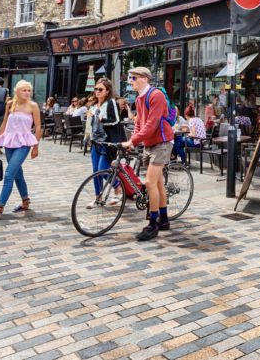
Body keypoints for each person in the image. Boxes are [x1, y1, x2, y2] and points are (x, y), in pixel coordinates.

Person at [121, 67, 175, 241]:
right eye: (130, 78)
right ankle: (164, 219)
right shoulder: (138, 99)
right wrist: (134, 140)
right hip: (149, 143)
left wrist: (133, 141)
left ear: (144, 78)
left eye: (134, 78)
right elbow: (139, 123)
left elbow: (152, 124)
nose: (131, 81)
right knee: (157, 183)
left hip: (162, 142)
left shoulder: (155, 95)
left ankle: (153, 224)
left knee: (150, 182)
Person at [0, 80, 42, 220]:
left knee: (9, 174)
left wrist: (35, 146)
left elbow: (38, 127)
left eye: (29, 90)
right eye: (24, 90)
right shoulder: (10, 104)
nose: (27, 92)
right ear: (17, 91)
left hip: (24, 143)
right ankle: (25, 200)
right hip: (9, 142)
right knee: (17, 174)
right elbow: (4, 123)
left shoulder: (33, 106)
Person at [88, 78, 126, 206]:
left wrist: (102, 119)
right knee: (95, 171)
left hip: (107, 142)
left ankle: (117, 186)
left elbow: (115, 120)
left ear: (107, 91)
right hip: (95, 142)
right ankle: (98, 197)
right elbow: (92, 126)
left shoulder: (111, 103)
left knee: (102, 169)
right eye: (96, 89)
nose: (97, 91)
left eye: (100, 89)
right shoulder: (94, 106)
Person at [173, 100, 206, 165]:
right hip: (202, 142)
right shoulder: (198, 119)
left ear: (186, 115)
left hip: (197, 143)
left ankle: (182, 160)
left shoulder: (191, 120)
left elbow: (193, 134)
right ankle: (183, 161)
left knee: (177, 141)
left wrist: (188, 135)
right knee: (179, 144)